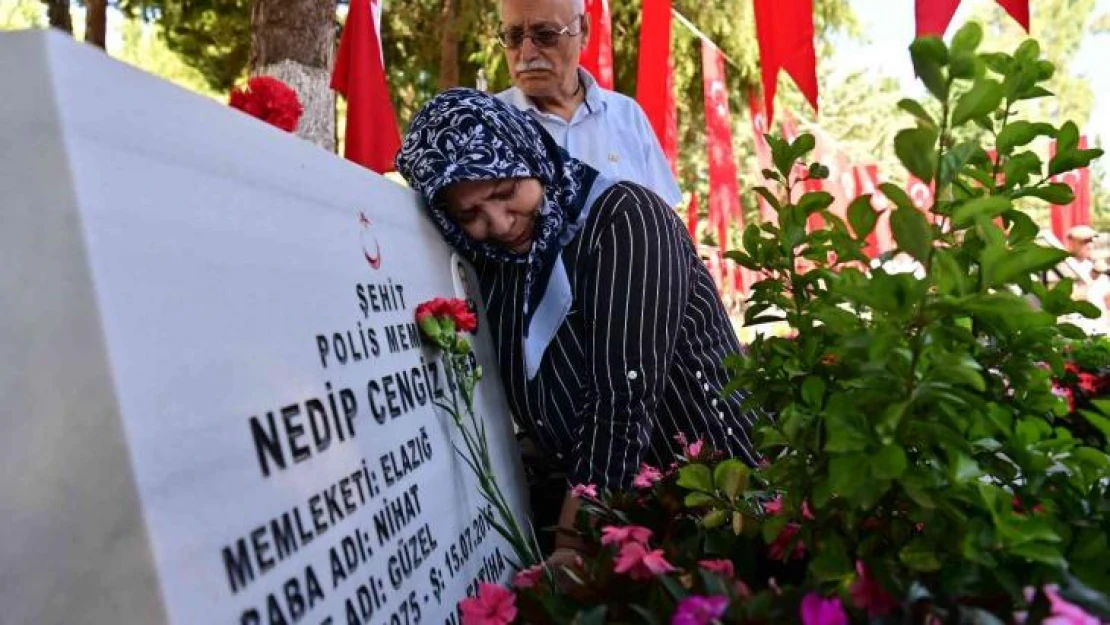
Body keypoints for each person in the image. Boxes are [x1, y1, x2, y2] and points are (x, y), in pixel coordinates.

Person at [395, 89, 761, 561]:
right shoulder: (502, 266)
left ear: (530, 152)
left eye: (505, 192)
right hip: (626, 523)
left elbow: (621, 399)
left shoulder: (626, 220)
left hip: (722, 509)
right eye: (470, 215)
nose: (501, 224)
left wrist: (570, 548)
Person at [494, 0, 683, 207]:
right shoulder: (486, 125)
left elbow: (665, 224)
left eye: (546, 35)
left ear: (583, 30)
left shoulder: (627, 116)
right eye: (513, 36)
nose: (527, 53)